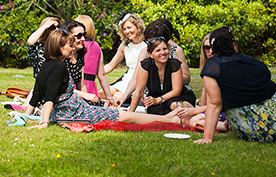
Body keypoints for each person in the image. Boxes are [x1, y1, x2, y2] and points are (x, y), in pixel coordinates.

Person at [23, 29, 182, 129]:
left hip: (70, 111)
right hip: (75, 113)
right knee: (125, 116)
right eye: (69, 46)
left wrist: (25, 116)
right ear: (59, 48)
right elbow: (49, 96)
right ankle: (170, 121)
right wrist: (43, 123)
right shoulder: (59, 67)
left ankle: (165, 118)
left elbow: (37, 94)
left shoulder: (47, 65)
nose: (73, 49)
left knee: (120, 113)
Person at [194, 26, 276, 145]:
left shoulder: (213, 66)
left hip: (264, 129)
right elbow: (265, 75)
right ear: (233, 43)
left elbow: (215, 103)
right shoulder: (251, 61)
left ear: (213, 48)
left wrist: (207, 138)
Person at [115, 18, 191, 107]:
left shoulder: (176, 51)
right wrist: (124, 96)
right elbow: (136, 78)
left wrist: (167, 76)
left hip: (175, 93)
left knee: (174, 106)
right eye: (149, 42)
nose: (152, 45)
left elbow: (186, 78)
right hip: (155, 93)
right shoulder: (145, 52)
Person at [130, 33, 196, 115]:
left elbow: (177, 91)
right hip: (156, 101)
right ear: (150, 54)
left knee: (174, 106)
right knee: (155, 113)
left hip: (177, 98)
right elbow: (139, 91)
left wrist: (159, 99)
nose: (163, 53)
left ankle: (194, 111)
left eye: (165, 49)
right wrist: (130, 113)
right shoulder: (146, 66)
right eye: (158, 50)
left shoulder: (174, 64)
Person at [175, 34, 228, 132]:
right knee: (185, 119)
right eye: (206, 48)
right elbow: (204, 103)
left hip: (224, 110)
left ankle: (226, 126)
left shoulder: (222, 69)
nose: (210, 51)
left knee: (194, 120)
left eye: (213, 48)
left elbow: (220, 104)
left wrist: (195, 110)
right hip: (212, 109)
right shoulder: (209, 68)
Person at [103, 13, 146, 104]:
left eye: (129, 27)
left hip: (141, 82)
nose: (127, 31)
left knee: (115, 97)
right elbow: (111, 66)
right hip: (126, 80)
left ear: (138, 26)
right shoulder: (124, 46)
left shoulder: (147, 44)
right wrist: (93, 73)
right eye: (124, 29)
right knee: (102, 92)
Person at [75, 15, 113, 105]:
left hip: (77, 86)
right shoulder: (96, 46)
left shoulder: (76, 45)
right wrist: (109, 97)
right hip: (91, 87)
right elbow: (101, 75)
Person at [60, 20, 87, 91]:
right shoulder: (61, 58)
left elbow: (81, 85)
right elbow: (62, 89)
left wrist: (88, 99)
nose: (83, 39)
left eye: (84, 35)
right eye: (79, 36)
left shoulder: (79, 57)